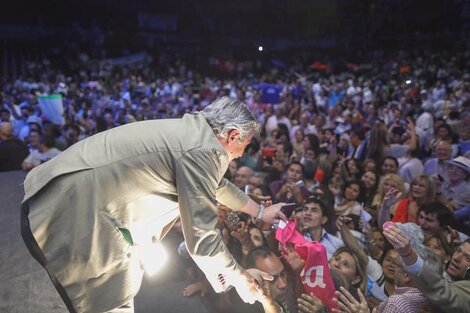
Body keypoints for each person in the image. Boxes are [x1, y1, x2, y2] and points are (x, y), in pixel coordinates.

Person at [20, 97, 286, 313]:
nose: (241, 154)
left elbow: (216, 185)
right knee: (112, 299)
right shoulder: (204, 151)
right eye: (245, 145)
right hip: (73, 214)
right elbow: (202, 240)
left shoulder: (193, 134)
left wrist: (259, 211)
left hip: (57, 198)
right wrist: (242, 280)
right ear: (232, 135)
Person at [383, 225, 470, 313]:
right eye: (458, 250)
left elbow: (443, 292)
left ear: (407, 274)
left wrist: (408, 255)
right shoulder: (422, 298)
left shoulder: (396, 303)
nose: (456, 258)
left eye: (467, 258)